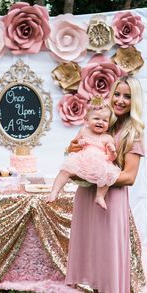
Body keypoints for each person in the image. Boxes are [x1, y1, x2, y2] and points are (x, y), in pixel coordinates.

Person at [62, 76, 145, 293]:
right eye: (117, 94)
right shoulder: (99, 120)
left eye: (127, 96)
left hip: (111, 199)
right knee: (90, 248)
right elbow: (75, 153)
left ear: (134, 101)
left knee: (109, 253)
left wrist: (97, 176)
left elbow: (129, 177)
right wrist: (73, 152)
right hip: (86, 195)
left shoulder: (133, 133)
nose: (120, 100)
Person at [46, 101, 120, 210]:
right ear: (86, 120)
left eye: (105, 120)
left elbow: (111, 159)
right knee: (66, 170)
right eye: (96, 118)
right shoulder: (84, 131)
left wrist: (112, 151)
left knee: (107, 174)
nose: (100, 122)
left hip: (98, 163)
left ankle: (99, 196)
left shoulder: (107, 138)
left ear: (109, 124)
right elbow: (73, 145)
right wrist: (79, 143)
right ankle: (54, 191)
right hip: (82, 160)